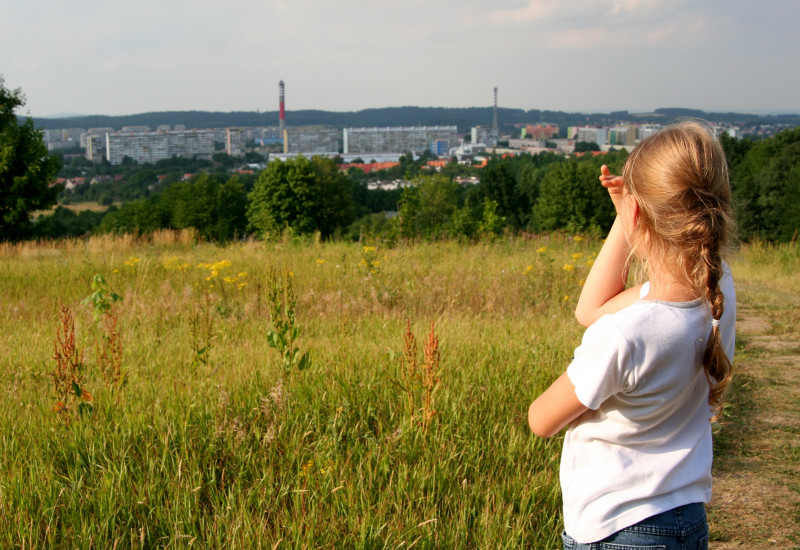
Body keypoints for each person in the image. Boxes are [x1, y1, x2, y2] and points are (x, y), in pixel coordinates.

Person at [528, 120, 736, 549]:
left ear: (637, 215)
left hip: (617, 529)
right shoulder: (717, 291)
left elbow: (541, 420)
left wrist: (626, 218)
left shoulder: (628, 332)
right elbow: (591, 311)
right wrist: (633, 208)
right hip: (684, 520)